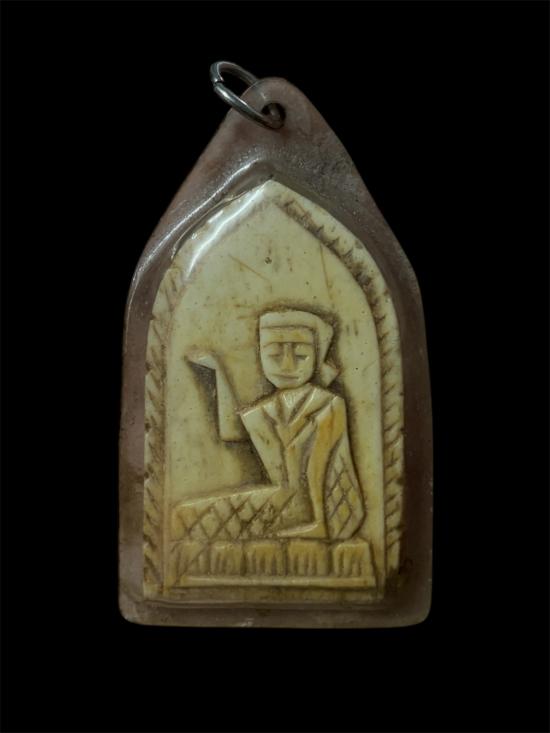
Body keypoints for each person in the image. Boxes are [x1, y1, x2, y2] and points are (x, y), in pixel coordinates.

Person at [184, 309, 365, 541]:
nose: (287, 365)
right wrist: (217, 370)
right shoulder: (269, 408)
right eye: (274, 355)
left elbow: (320, 467)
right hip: (285, 499)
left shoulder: (328, 405)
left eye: (301, 356)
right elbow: (232, 431)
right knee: (184, 517)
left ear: (317, 357)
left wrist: (319, 521)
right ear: (260, 355)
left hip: (328, 509)